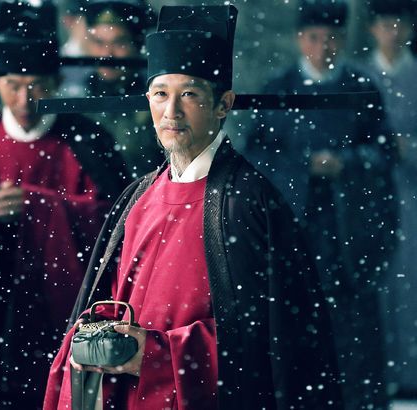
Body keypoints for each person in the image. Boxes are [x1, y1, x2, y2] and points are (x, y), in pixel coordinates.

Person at [44, 5, 343, 409]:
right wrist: (96, 339)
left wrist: (157, 354)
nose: (171, 112)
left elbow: (271, 338)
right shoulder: (138, 197)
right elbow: (106, 306)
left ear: (223, 104)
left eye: (189, 94)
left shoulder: (248, 203)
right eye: (160, 94)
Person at [0, 1, 129, 407]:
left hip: (58, 299)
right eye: (13, 85)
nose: (25, 99)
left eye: (38, 86)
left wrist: (42, 206)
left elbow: (115, 221)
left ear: (57, 82)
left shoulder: (87, 140)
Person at [244, 1, 397, 409]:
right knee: (293, 311)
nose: (322, 46)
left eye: (331, 38)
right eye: (314, 37)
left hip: (348, 223)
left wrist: (346, 163)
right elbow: (255, 155)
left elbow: (384, 152)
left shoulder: (359, 87)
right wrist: (301, 166)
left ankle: (357, 398)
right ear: (300, 39)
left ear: (343, 39)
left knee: (352, 319)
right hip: (294, 219)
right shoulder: (278, 88)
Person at [365, 0, 417, 397]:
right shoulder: (360, 75)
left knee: (410, 276)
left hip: (411, 190)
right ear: (373, 29)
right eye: (385, 24)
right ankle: (378, 372)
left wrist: (408, 148)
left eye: (399, 24)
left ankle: (409, 372)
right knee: (376, 277)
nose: (392, 32)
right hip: (368, 192)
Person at [62, 0, 164, 178]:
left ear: (137, 45)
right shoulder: (74, 98)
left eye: (119, 43)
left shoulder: (157, 102)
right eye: (99, 42)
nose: (107, 53)